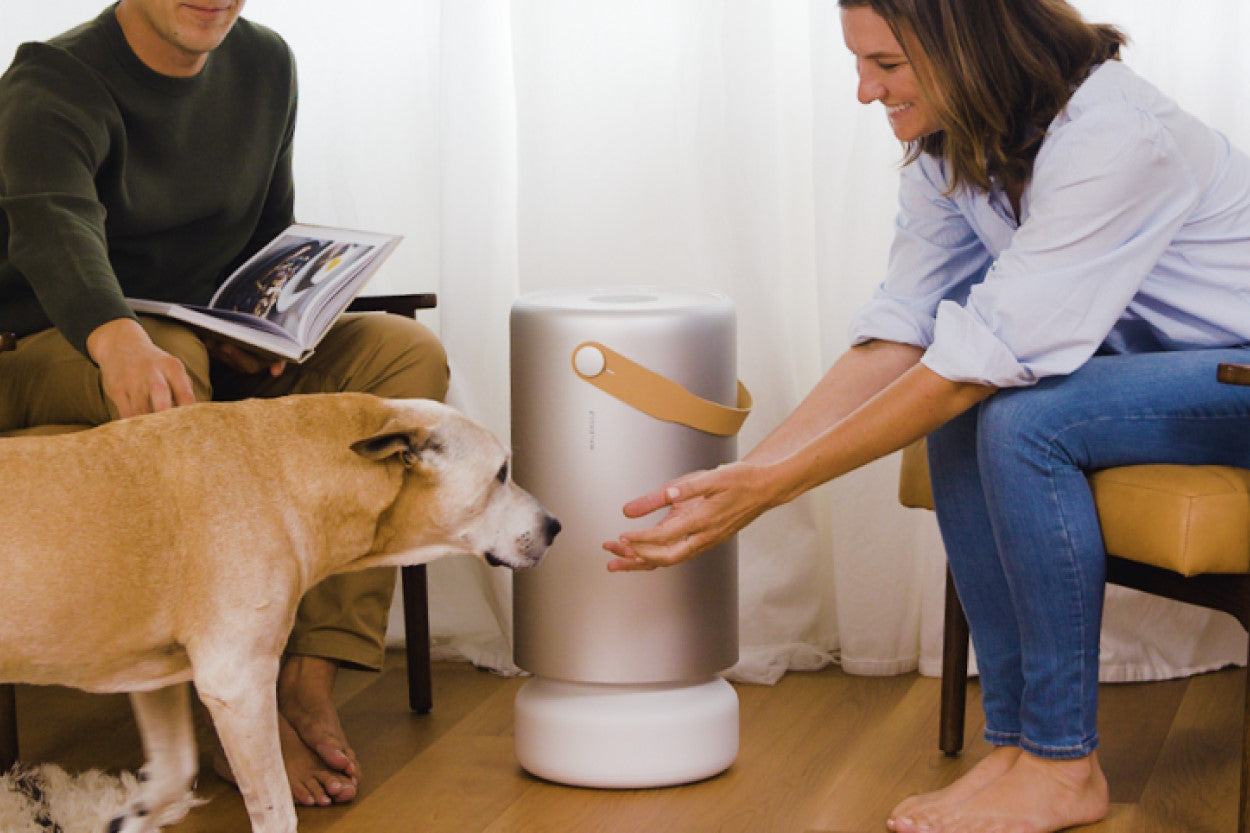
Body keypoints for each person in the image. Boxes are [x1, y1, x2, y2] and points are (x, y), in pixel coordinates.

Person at [604, 1, 1250, 831]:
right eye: (860, 64)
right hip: (1163, 372)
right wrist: (745, 475)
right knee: (957, 412)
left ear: (967, 46)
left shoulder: (1115, 136)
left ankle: (1062, 766)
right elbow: (902, 333)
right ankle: (1022, 746)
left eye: (887, 66)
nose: (866, 93)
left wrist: (766, 493)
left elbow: (977, 360)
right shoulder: (954, 147)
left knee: (1022, 420)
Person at [0, 0, 448, 809]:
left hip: (199, 345)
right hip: (56, 344)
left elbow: (263, 236)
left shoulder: (266, 63)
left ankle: (306, 675)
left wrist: (266, 327)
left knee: (400, 359)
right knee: (172, 365)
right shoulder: (52, 78)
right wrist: (119, 335)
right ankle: (233, 686)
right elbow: (50, 227)